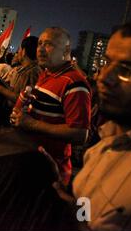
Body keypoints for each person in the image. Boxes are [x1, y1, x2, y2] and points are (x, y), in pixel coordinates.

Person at [48, 19, 131, 231]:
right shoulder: (103, 145)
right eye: (107, 62)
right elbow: (86, 212)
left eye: (128, 70)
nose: (104, 77)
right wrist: (72, 209)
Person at [10, 27, 91, 185]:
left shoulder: (74, 83)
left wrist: (31, 123)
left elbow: (80, 134)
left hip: (50, 173)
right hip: (31, 161)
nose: (40, 49)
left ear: (66, 49)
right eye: (40, 43)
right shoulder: (46, 74)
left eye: (48, 44)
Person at [0, 36, 41, 106]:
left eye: (19, 49)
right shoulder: (25, 70)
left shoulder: (32, 72)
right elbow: (13, 91)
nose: (18, 52)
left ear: (23, 51)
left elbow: (23, 99)